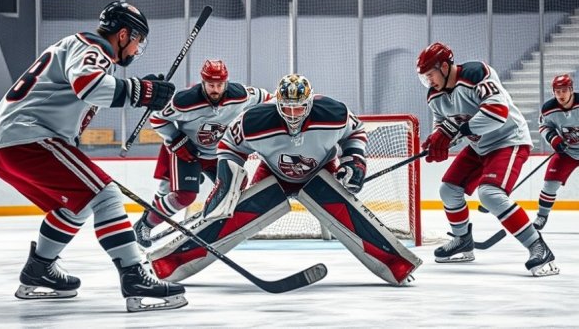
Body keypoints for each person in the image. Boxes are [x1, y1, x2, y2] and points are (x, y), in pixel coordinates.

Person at [0, 1, 187, 312]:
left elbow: (81, 99)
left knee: (76, 207)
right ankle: (134, 275)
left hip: (6, 145)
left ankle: (39, 269)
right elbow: (89, 87)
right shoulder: (93, 47)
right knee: (106, 196)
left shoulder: (82, 51)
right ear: (123, 34)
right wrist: (142, 92)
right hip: (26, 138)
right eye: (137, 41)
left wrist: (144, 90)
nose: (136, 49)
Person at [146, 74, 422, 286]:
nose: (292, 114)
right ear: (277, 102)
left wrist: (354, 160)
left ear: (310, 102)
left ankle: (397, 266)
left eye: (298, 108)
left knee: (350, 216)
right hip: (274, 174)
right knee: (228, 215)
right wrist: (227, 181)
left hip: (321, 171)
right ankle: (168, 263)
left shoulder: (333, 113)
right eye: (286, 108)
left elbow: (356, 131)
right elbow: (230, 144)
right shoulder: (256, 120)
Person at [416, 41, 559, 276]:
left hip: (508, 140)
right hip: (479, 145)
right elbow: (443, 126)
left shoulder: (476, 73)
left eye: (430, 75)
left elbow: (497, 114)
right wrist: (437, 140)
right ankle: (463, 240)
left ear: (444, 66)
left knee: (490, 194)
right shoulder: (435, 96)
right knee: (448, 190)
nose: (429, 81)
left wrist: (455, 130)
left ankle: (539, 248)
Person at [132, 59, 272, 248]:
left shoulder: (242, 95)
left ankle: (216, 226)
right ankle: (144, 225)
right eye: (211, 84)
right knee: (185, 196)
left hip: (219, 154)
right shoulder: (183, 100)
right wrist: (174, 138)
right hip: (189, 152)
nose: (215, 89)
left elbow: (269, 99)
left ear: (226, 82)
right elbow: (157, 116)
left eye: (220, 84)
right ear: (203, 82)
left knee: (236, 190)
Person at [533, 74, 579, 230]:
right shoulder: (548, 109)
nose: (561, 94)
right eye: (557, 91)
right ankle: (541, 216)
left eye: (564, 90)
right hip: (568, 152)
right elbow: (544, 127)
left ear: (571, 90)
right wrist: (554, 140)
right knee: (550, 185)